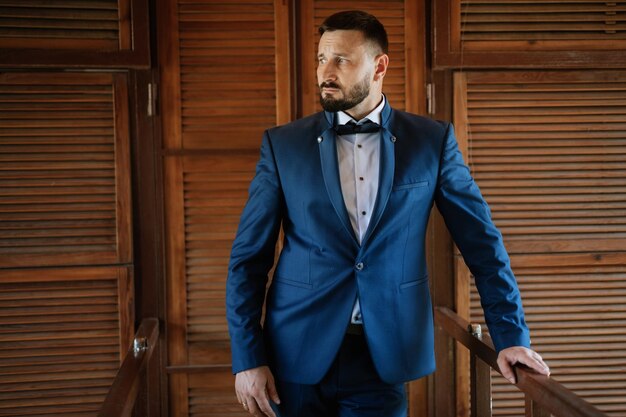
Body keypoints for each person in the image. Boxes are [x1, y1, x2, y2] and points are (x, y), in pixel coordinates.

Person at [226, 10, 550, 417]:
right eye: (321, 58)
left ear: (379, 66)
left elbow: (483, 246)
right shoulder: (283, 146)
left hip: (385, 354)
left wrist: (511, 335)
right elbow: (247, 262)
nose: (325, 71)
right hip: (294, 352)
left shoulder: (432, 142)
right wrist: (246, 357)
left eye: (341, 59)